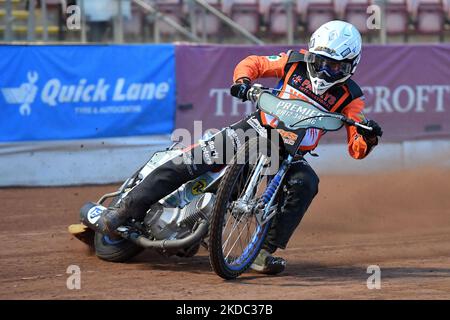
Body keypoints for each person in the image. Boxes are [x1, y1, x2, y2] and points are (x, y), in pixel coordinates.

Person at [96, 20, 383, 275]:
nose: (326, 71)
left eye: (336, 67)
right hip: (254, 129)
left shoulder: (351, 97)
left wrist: (367, 136)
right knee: (191, 160)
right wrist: (243, 82)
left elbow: (356, 148)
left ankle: (263, 253)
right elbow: (254, 62)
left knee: (306, 183)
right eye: (321, 62)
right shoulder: (293, 62)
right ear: (311, 53)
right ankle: (122, 212)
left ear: (352, 66)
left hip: (290, 154)